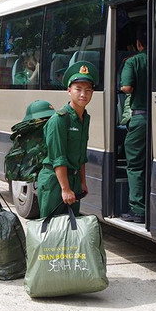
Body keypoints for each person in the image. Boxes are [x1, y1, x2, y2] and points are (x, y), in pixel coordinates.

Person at [36, 60, 98, 218]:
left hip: (73, 180)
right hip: (55, 182)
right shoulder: (60, 119)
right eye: (78, 89)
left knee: (70, 230)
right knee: (52, 229)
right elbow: (58, 158)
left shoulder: (85, 118)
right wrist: (65, 189)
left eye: (88, 90)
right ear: (69, 91)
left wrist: (82, 182)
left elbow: (81, 154)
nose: (83, 94)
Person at [120, 28, 147, 223]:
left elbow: (127, 88)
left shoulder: (133, 61)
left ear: (138, 44)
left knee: (135, 165)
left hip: (140, 118)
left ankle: (137, 209)